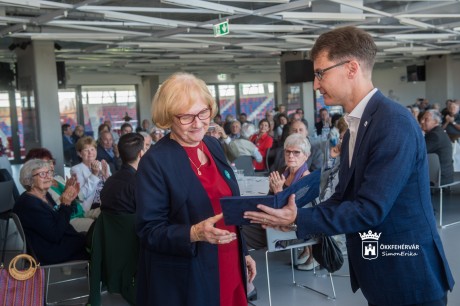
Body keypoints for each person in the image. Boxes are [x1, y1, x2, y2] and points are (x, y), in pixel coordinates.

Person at [244, 26, 454, 306]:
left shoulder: (393, 122)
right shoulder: (358, 125)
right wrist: (296, 217)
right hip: (380, 273)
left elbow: (370, 209)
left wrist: (298, 219)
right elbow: (344, 196)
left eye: (320, 73)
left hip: (407, 276)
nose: (316, 84)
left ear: (352, 68)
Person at [135, 72, 256, 306]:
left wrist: (244, 252)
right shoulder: (155, 161)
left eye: (203, 113)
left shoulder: (212, 144)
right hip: (190, 274)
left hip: (229, 260)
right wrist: (195, 233)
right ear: (168, 117)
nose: (199, 123)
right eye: (187, 117)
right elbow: (149, 230)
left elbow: (229, 205)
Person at [13, 159, 88, 265]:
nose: (48, 177)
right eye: (42, 174)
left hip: (60, 242)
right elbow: (55, 234)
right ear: (29, 179)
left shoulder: (45, 195)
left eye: (49, 172)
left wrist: (66, 199)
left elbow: (57, 220)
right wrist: (65, 204)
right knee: (99, 238)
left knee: (97, 234)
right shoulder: (28, 204)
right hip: (51, 251)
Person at [24, 148, 94, 232]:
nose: (50, 166)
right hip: (69, 220)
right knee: (100, 226)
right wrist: (65, 193)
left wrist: (74, 191)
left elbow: (81, 198)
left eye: (51, 162)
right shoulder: (41, 186)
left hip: (80, 212)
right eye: (45, 163)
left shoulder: (58, 178)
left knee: (108, 215)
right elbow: (53, 211)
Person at [100, 133, 144, 214]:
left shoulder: (109, 182)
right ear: (141, 154)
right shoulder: (140, 183)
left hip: (108, 226)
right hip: (132, 226)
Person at [72, 136, 111, 218]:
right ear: (79, 153)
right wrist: (94, 174)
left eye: (92, 149)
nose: (90, 153)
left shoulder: (103, 165)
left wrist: (106, 176)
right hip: (91, 208)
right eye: (86, 150)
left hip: (107, 203)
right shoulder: (76, 169)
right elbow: (81, 195)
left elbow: (112, 189)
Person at [420, 110, 454, 185]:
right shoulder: (438, 132)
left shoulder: (435, 135)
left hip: (439, 179)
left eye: (426, 119)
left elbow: (418, 153)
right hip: (444, 176)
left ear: (435, 122)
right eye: (422, 119)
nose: (422, 122)